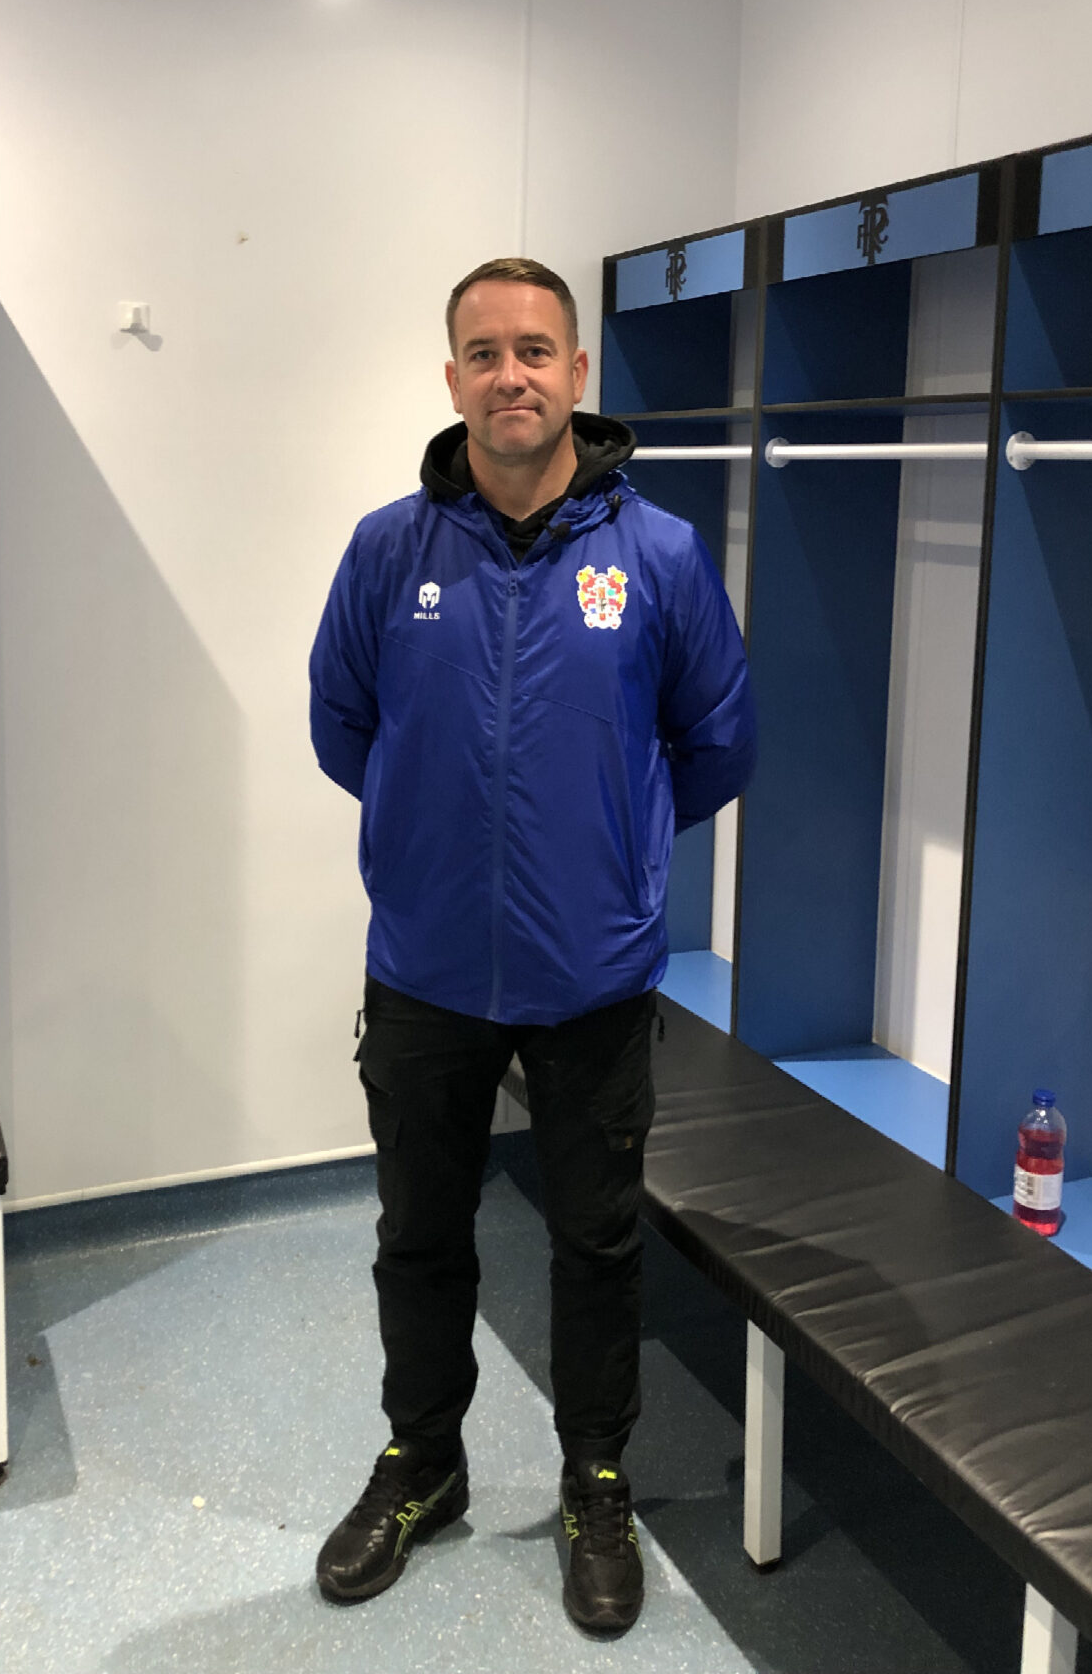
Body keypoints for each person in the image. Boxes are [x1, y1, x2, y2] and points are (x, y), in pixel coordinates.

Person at [308, 256, 756, 1634]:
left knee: (595, 1245)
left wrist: (604, 847)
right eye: (485, 351)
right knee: (420, 1238)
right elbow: (341, 726)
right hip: (429, 970)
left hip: (592, 979)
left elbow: (717, 741)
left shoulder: (662, 558)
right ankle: (423, 1465)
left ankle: (594, 1480)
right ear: (453, 379)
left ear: (575, 374)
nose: (512, 374)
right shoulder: (391, 548)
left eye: (537, 350)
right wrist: (435, 844)